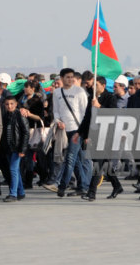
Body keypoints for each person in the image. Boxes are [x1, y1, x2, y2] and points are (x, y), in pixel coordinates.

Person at [53, 68, 91, 198]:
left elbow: (85, 112)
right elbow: (56, 111)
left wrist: (85, 132)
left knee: (70, 158)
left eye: (71, 77)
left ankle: (62, 186)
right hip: (64, 130)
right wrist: (58, 121)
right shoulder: (57, 92)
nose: (70, 79)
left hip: (77, 130)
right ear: (62, 78)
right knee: (76, 161)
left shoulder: (80, 91)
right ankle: (83, 186)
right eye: (67, 77)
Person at [0, 96, 30, 202]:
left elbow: (26, 133)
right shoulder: (5, 116)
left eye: (11, 104)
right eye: (7, 104)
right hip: (8, 148)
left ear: (16, 104)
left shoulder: (20, 115)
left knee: (13, 169)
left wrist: (22, 149)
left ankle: (13, 194)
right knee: (15, 170)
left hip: (17, 148)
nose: (9, 106)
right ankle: (21, 192)